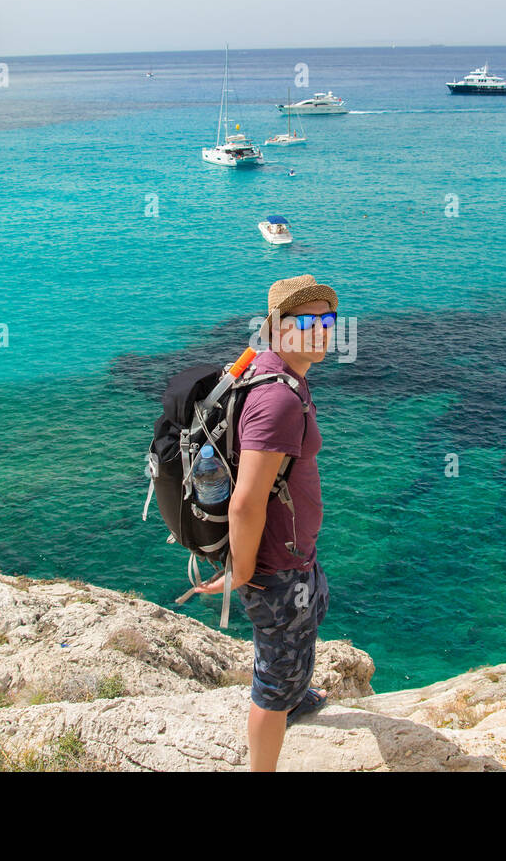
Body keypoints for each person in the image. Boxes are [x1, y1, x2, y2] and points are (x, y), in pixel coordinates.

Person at [191, 273, 337, 771]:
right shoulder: (277, 397)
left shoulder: (286, 372)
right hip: (274, 566)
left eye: (328, 319)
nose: (322, 330)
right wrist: (244, 571)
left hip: (294, 558)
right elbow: (247, 502)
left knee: (312, 613)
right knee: (272, 682)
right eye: (308, 321)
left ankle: (297, 696)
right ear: (277, 326)